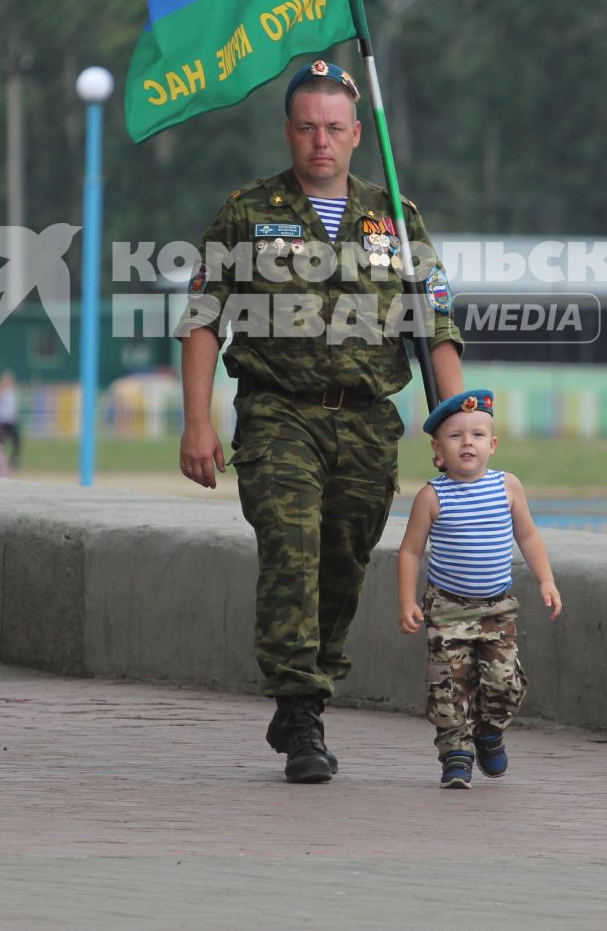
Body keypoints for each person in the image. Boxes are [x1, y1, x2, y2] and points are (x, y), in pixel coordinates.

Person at [177, 59, 465, 784]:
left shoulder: (394, 215)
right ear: (288, 131)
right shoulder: (246, 211)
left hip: (368, 423)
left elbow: (436, 326)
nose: (320, 142)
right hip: (278, 415)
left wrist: (455, 425)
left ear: (357, 134)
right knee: (292, 543)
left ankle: (310, 684)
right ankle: (300, 708)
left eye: (334, 128)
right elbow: (204, 321)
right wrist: (197, 423)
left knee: (343, 559)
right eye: (307, 127)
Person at [396, 390, 560, 788]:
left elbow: (529, 536)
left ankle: (490, 730)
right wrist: (406, 602)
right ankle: (456, 754)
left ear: (493, 444)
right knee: (449, 685)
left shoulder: (508, 487)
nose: (467, 443)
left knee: (503, 682)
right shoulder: (432, 497)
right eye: (455, 436)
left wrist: (546, 580)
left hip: (496, 608)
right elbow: (410, 552)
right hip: (447, 607)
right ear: (438, 449)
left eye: (477, 435)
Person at [0, 370, 22, 466]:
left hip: (11, 420)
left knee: (16, 442)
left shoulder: (13, 391)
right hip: (2, 421)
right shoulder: (0, 390)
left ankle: (13, 460)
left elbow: (14, 406)